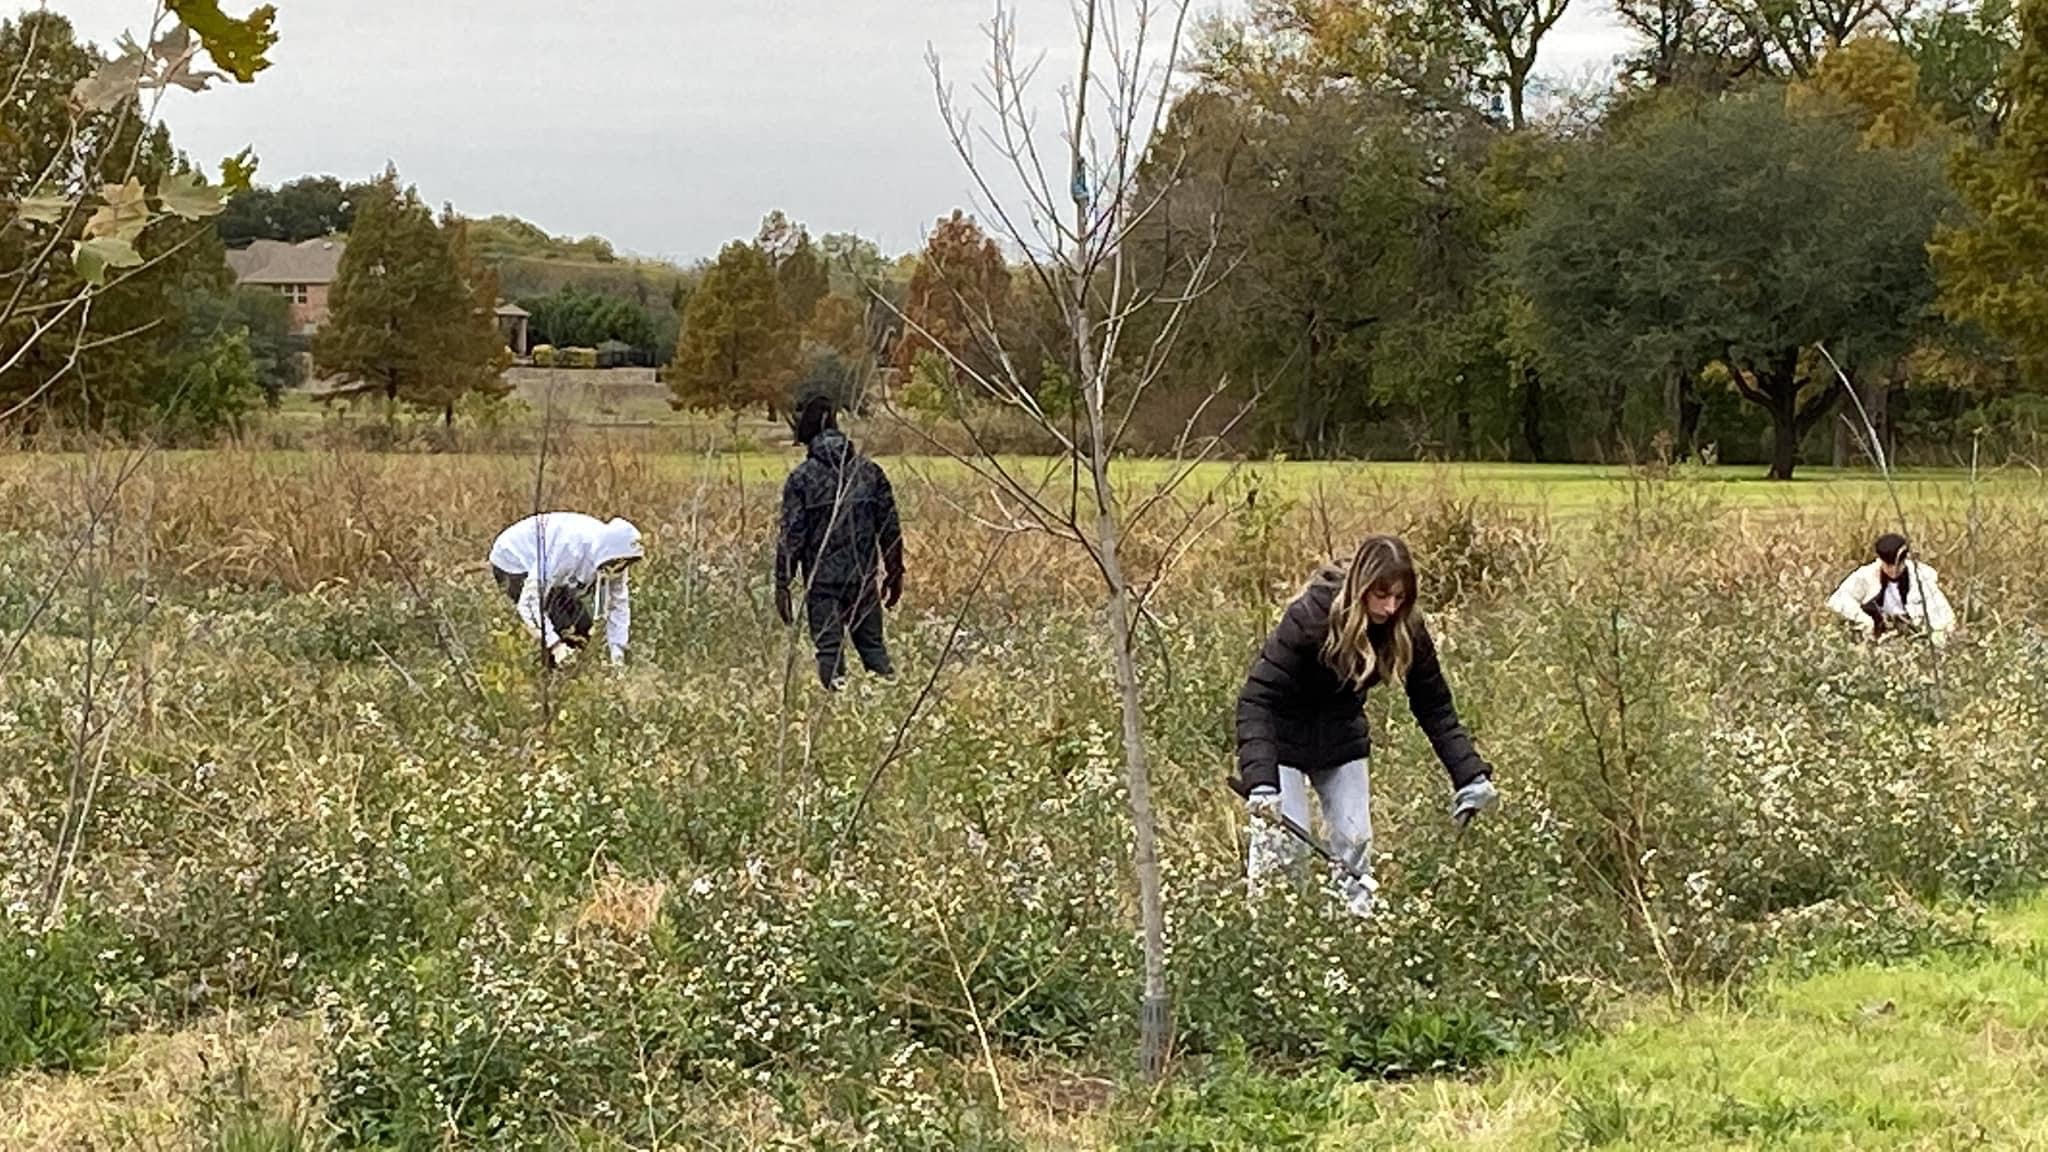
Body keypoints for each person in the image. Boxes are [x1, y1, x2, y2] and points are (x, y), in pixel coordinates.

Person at [1232, 535, 1498, 917]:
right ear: (1361, 587)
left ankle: (1353, 945)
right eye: (1381, 595)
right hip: (1280, 743)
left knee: (1354, 845)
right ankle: (1272, 952)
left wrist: (1469, 775)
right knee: (1285, 855)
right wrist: (1261, 783)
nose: (1390, 608)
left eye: (1400, 597)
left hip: (1342, 739)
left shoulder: (1405, 627)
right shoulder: (1309, 617)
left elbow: (1434, 704)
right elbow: (1256, 699)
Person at [774, 396, 904, 690]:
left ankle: (835, 710)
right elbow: (890, 529)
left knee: (829, 653)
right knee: (874, 650)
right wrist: (895, 573)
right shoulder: (869, 472)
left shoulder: (802, 479)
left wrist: (782, 583)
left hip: (821, 583)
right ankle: (890, 710)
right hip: (863, 579)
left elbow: (791, 537)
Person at [488, 511, 643, 668]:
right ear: (608, 553)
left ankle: (572, 674)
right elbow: (528, 603)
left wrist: (617, 658)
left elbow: (618, 606)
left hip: (555, 575)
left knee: (581, 629)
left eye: (625, 564)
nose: (618, 570)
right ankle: (548, 678)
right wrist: (556, 646)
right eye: (617, 563)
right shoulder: (568, 549)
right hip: (513, 560)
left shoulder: (616, 561)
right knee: (559, 630)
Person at [1827, 532, 1956, 647]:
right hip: (1874, 633)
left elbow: (1943, 617)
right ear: (1880, 560)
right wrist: (1864, 620)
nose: (1894, 571)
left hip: (1910, 636)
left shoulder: (1921, 577)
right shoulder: (1866, 575)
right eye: (1889, 566)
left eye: (1898, 565)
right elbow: (1838, 599)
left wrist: (1936, 639)